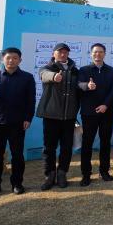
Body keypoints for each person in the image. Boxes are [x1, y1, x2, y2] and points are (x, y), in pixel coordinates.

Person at [0, 48, 36, 199]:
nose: (11, 60)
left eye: (15, 58)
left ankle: (17, 184)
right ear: (3, 59)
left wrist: (28, 118)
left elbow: (30, 100)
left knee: (17, 155)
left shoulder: (27, 77)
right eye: (8, 58)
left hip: (18, 122)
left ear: (20, 60)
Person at [36, 43, 79, 190]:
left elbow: (80, 86)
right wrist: (54, 76)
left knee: (66, 148)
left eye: (65, 52)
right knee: (49, 148)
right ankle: (50, 175)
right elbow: (44, 75)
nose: (63, 54)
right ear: (53, 53)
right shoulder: (47, 68)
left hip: (69, 117)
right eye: (59, 52)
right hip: (51, 116)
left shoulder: (75, 70)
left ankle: (62, 173)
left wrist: (87, 86)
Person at [77, 43, 113, 186]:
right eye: (95, 52)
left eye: (100, 52)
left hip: (106, 112)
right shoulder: (84, 70)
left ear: (104, 54)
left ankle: (104, 171)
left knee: (105, 143)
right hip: (89, 113)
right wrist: (87, 86)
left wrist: (105, 105)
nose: (98, 54)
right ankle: (86, 174)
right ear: (91, 54)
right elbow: (78, 84)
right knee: (87, 143)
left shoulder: (112, 71)